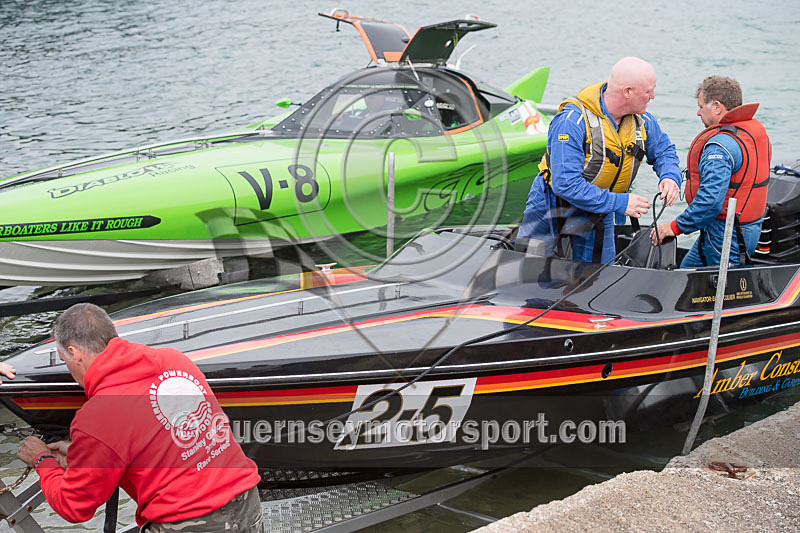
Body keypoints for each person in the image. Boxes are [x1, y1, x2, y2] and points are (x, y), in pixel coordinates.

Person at [16, 303, 264, 532]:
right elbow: (159, 439)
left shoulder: (99, 414)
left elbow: (74, 506)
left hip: (189, 521)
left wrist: (42, 461)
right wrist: (79, 454)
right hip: (246, 500)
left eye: (64, 361)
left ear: (74, 353)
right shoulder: (174, 359)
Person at [518, 57, 681, 263]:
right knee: (529, 267)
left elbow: (664, 151)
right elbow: (565, 183)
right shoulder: (571, 122)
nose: (653, 96)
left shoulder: (643, 121)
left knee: (598, 274)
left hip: (600, 210)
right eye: (648, 91)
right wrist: (620, 202)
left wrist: (670, 176)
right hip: (553, 204)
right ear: (628, 92)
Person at [651, 76, 771, 267]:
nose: (698, 113)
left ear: (716, 107)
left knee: (722, 285)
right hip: (748, 228)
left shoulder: (719, 147)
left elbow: (710, 201)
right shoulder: (755, 131)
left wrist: (673, 227)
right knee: (686, 271)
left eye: (701, 107)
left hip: (727, 235)